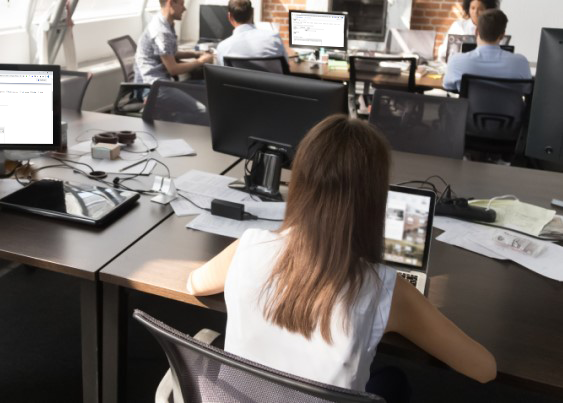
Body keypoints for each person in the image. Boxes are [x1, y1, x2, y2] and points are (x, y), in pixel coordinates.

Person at [186, 115, 496, 401]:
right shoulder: (383, 288)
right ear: (376, 199)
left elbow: (194, 284)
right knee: (394, 381)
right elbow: (484, 369)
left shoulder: (248, 247)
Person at [134, 0, 213, 83]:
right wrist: (201, 61)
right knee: (207, 87)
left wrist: (196, 54)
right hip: (152, 86)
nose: (184, 8)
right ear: (170, 3)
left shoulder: (163, 23)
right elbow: (173, 69)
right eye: (181, 4)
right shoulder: (161, 31)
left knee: (203, 83)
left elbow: (170, 53)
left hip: (160, 80)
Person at [443, 8, 531, 92]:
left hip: (471, 108)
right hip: (511, 108)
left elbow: (448, 86)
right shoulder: (521, 62)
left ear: (476, 31)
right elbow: (527, 89)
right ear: (502, 35)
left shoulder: (456, 61)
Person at [215, 0, 287, 66]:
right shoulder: (274, 38)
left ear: (229, 17)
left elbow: (222, 73)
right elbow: (286, 65)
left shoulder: (223, 47)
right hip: (270, 77)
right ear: (252, 13)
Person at [437, 0, 501, 61]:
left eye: (480, 9)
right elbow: (444, 51)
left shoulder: (493, 28)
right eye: (472, 8)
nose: (475, 12)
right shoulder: (458, 26)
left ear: (488, 10)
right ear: (468, 8)